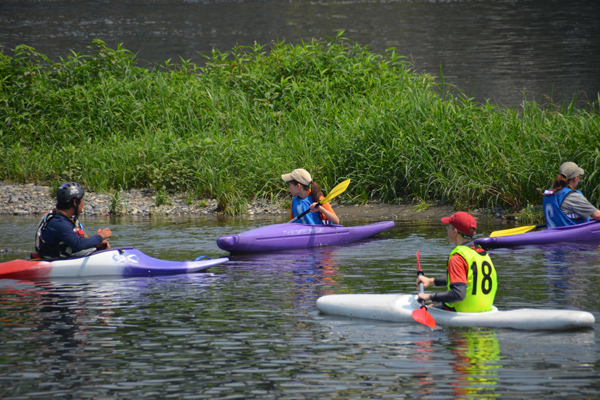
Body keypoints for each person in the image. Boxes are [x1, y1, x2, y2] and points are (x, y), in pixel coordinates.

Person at [416, 212, 497, 312]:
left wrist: (430, 296)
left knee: (420, 303)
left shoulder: (457, 257)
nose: (447, 230)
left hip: (462, 313)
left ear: (455, 231)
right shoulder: (481, 253)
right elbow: (464, 279)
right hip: (485, 310)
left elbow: (458, 294)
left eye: (448, 227)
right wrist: (430, 281)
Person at [34, 182, 112, 260]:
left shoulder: (66, 219)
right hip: (52, 264)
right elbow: (78, 244)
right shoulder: (58, 222)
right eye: (82, 201)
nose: (83, 205)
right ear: (75, 202)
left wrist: (96, 244)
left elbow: (76, 242)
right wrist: (99, 237)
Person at [542, 161, 600, 228]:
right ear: (575, 179)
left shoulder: (550, 193)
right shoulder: (572, 196)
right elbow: (597, 215)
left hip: (552, 234)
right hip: (572, 237)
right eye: (579, 177)